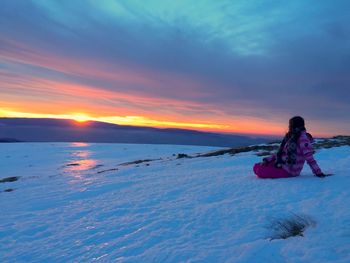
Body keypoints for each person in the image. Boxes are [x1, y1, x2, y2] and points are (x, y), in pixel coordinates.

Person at [253, 116, 326, 179]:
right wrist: (267, 160)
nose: (289, 127)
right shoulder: (291, 137)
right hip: (282, 164)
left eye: (291, 125)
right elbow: (282, 153)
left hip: (291, 170)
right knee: (256, 166)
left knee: (259, 170)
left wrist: (318, 172)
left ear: (296, 126)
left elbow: (310, 158)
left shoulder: (302, 139)